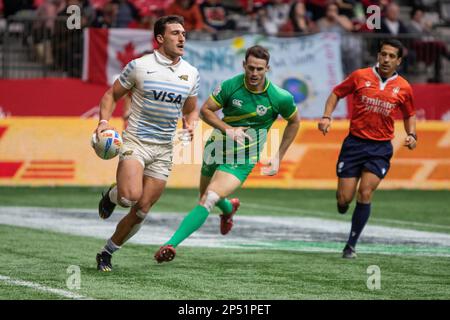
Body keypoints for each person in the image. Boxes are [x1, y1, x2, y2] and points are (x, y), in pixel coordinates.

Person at [154, 45, 300, 263]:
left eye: (259, 69)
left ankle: (170, 245)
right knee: (204, 195)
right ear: (244, 65)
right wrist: (228, 129)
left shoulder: (279, 97)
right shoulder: (231, 86)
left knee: (209, 198)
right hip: (215, 148)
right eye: (250, 68)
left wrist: (278, 156)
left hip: (243, 158)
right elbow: (205, 110)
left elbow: (294, 122)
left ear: (267, 69)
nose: (254, 73)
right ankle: (229, 208)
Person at [94, 15, 200, 272]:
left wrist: (191, 123)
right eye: (175, 33)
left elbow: (191, 109)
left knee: (141, 210)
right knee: (129, 197)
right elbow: (111, 94)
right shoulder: (139, 66)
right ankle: (113, 194)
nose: (182, 37)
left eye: (183, 33)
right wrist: (103, 123)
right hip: (136, 141)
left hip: (164, 148)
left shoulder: (191, 73)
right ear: (160, 38)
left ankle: (106, 252)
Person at [318, 39, 417, 259]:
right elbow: (336, 93)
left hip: (380, 148)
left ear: (399, 61)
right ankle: (343, 205)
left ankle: (350, 245)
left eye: (392, 56)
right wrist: (326, 117)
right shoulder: (360, 76)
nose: (386, 59)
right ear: (378, 56)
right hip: (354, 144)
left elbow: (409, 114)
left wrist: (412, 134)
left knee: (366, 192)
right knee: (344, 199)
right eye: (383, 54)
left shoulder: (404, 87)